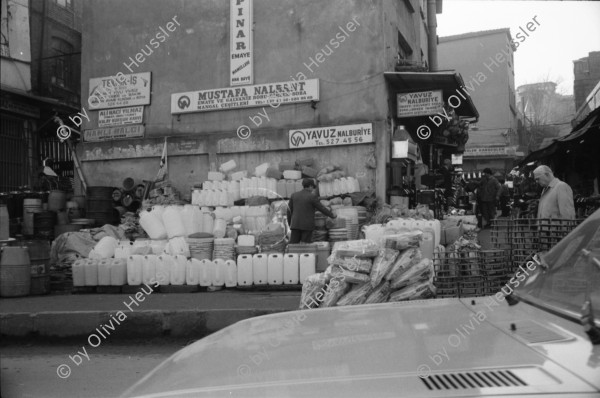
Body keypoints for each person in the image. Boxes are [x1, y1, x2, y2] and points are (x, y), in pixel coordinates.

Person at [287, 178, 337, 243]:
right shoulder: (312, 196)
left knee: (293, 246)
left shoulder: (294, 195)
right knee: (305, 247)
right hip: (307, 226)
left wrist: (290, 223)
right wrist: (332, 215)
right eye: (313, 187)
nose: (313, 189)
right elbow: (321, 208)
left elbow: (289, 211)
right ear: (310, 186)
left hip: (295, 225)